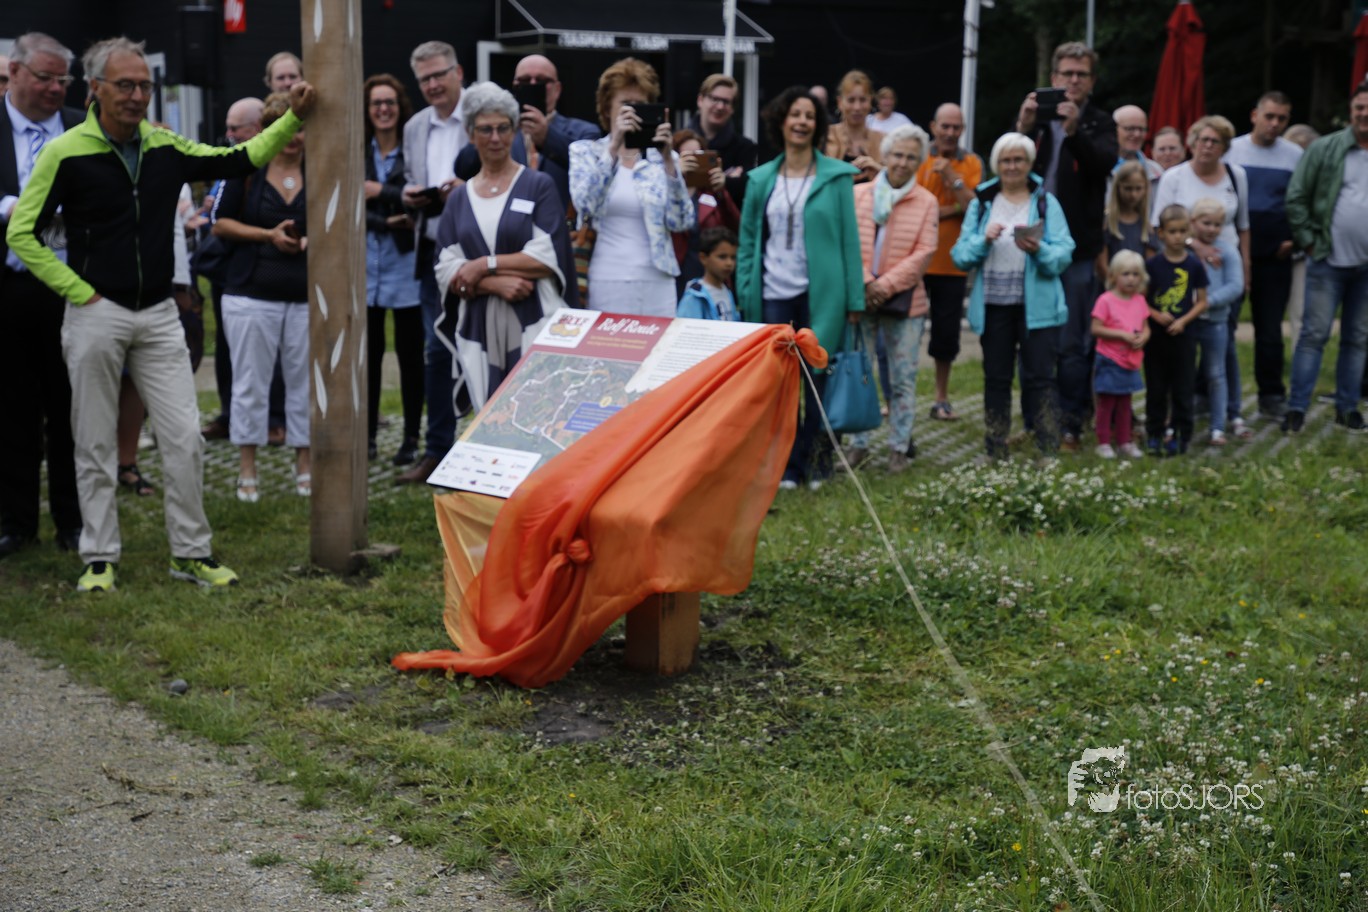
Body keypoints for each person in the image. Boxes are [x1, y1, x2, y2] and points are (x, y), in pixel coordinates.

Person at [7, 36, 317, 591]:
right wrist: (78, 291)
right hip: (95, 314)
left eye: (145, 86)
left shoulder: (165, 146)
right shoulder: (65, 152)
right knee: (93, 440)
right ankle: (99, 557)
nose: (136, 96)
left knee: (185, 436)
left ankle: (191, 553)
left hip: (157, 315)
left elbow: (240, 159)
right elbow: (22, 233)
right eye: (125, 85)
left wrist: (292, 118)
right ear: (95, 88)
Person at [737, 86, 862, 490]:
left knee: (819, 379)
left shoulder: (837, 177)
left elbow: (849, 242)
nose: (802, 122)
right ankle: (787, 467)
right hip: (773, 295)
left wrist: (855, 298)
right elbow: (748, 241)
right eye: (795, 114)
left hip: (822, 296)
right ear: (781, 121)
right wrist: (745, 290)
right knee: (782, 386)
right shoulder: (760, 179)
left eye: (809, 115)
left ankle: (819, 463)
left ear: (817, 124)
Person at [432, 83, 575, 411]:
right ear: (471, 134)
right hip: (478, 324)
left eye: (503, 128)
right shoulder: (459, 199)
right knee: (489, 415)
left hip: (534, 317)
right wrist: (494, 285)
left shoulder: (538, 186)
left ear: (515, 131)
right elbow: (445, 267)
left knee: (536, 410)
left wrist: (483, 266)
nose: (495, 137)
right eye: (485, 129)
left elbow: (548, 255)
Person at [0, 32, 83, 559]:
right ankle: (16, 522)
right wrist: (9, 208)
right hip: (8, 290)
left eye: (62, 79)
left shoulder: (83, 127)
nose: (55, 88)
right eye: (45, 77)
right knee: (12, 409)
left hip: (72, 290)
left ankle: (74, 521)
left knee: (73, 410)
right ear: (14, 72)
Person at [1014, 41, 1117, 451]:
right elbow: (1009, 165)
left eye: (1081, 74)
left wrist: (1074, 133)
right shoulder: (1037, 118)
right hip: (1030, 244)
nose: (1073, 81)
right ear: (1053, 77)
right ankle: (1034, 421)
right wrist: (1022, 128)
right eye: (1067, 73)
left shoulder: (1100, 122)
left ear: (1092, 81)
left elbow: (1102, 165)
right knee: (1032, 337)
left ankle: (1071, 424)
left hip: (1077, 249)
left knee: (1073, 342)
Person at [210, 92, 313, 503]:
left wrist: (312, 240)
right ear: (269, 130)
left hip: (305, 296)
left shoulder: (318, 169)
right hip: (250, 294)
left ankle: (304, 464)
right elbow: (220, 223)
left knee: (304, 383)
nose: (293, 137)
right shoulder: (247, 167)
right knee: (250, 383)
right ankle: (247, 468)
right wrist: (268, 235)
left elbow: (336, 220)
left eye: (300, 128)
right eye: (284, 128)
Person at [951, 132, 1075, 461]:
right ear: (996, 164)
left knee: (1041, 378)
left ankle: (1047, 447)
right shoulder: (982, 202)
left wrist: (1038, 249)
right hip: (994, 306)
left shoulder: (1045, 201)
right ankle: (996, 447)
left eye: (1019, 159)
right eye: (1006, 160)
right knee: (996, 378)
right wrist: (983, 241)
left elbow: (1064, 254)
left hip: (1038, 308)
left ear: (1029, 163)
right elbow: (960, 255)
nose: (1012, 166)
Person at [844, 124, 938, 473]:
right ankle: (859, 444)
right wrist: (867, 283)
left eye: (911, 157)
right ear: (884, 155)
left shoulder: (926, 202)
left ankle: (899, 446)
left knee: (902, 378)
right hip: (861, 297)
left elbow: (924, 252)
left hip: (905, 303)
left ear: (920, 161)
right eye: (897, 154)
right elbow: (847, 243)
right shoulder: (859, 194)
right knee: (861, 374)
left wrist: (883, 287)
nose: (902, 162)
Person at [569, 57, 694, 316]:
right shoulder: (586, 152)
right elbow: (586, 206)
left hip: (658, 282)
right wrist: (614, 148)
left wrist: (669, 160)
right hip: (607, 277)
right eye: (626, 104)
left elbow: (682, 221)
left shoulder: (665, 159)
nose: (633, 112)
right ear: (607, 109)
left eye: (640, 105)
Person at [1152, 115, 1251, 435]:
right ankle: (1180, 411)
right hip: (1184, 269)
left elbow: (1243, 225)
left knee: (1224, 348)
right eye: (1203, 140)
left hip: (1226, 267)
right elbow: (1158, 225)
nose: (1208, 146)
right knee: (1179, 349)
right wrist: (1196, 245)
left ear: (1224, 146)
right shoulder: (1175, 177)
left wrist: (1245, 268)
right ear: (1192, 143)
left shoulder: (1236, 175)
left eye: (1215, 141)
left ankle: (1232, 413)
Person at [397, 41, 465, 485]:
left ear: (458, 72)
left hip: (480, 245)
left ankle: (489, 449)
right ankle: (438, 450)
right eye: (424, 79)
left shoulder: (483, 112)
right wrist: (410, 194)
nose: (433, 85)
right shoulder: (415, 126)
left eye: (440, 74)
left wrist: (466, 188)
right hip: (431, 246)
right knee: (436, 351)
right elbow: (409, 176)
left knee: (485, 348)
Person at [1282, 83, 1368, 434]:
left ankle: (1347, 408)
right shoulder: (1325, 148)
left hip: (1366, 268)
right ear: (1351, 111)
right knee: (1313, 335)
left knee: (1358, 338)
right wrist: (1309, 241)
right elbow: (1296, 196)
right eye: (1359, 107)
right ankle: (1296, 409)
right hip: (1327, 260)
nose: (1364, 114)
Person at [1224, 90, 1302, 419]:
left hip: (1275, 256)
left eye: (1281, 118)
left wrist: (1295, 239)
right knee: (1220, 326)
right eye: (1269, 116)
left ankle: (1271, 394)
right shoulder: (1230, 150)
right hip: (1231, 253)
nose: (1274, 124)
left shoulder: (1295, 155)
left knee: (1270, 331)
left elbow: (1304, 201)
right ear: (1255, 115)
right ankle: (1206, 392)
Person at [363, 74, 424, 467]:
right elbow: (348, 199)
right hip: (366, 267)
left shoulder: (414, 150)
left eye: (390, 102)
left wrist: (379, 192)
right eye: (376, 103)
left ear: (400, 107)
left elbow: (421, 199)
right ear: (367, 110)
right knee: (367, 357)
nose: (383, 109)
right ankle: (367, 435)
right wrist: (386, 217)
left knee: (410, 357)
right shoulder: (358, 150)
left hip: (406, 267)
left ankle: (410, 438)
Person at [453, 54, 600, 214]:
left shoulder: (584, 132)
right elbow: (463, 168)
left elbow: (592, 171)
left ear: (557, 89)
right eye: (524, 81)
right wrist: (488, 130)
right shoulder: (502, 130)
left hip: (560, 222)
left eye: (541, 81)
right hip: (508, 223)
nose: (533, 85)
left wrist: (547, 137)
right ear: (515, 87)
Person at [916, 102, 981, 422]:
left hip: (953, 265)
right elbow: (913, 207)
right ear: (933, 127)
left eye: (956, 127)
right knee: (905, 333)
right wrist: (951, 209)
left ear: (963, 129)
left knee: (946, 335)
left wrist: (953, 178)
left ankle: (941, 398)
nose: (950, 133)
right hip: (916, 262)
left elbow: (975, 207)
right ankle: (898, 397)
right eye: (945, 126)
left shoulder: (971, 163)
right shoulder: (918, 158)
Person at [1143, 204, 1209, 455]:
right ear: (1161, 233)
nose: (1177, 237)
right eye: (1172, 231)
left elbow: (1202, 301)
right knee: (1156, 388)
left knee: (1183, 387)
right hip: (1156, 337)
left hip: (1184, 337)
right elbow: (1140, 300)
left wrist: (1184, 321)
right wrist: (1156, 315)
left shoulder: (1194, 265)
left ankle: (1181, 434)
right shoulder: (1152, 265)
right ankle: (1154, 433)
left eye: (1182, 231)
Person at [1189, 197, 1247, 445]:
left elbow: (1236, 286)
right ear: (1193, 222)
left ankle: (1218, 427)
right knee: (1183, 372)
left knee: (1216, 373)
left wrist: (1207, 302)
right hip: (1187, 323)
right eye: (1206, 223)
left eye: (1217, 225)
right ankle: (1179, 422)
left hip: (1216, 322)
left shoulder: (1228, 251)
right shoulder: (1186, 251)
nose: (1211, 229)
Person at [1089, 250, 1150, 458]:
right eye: (1125, 274)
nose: (1131, 279)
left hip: (1130, 361)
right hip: (1109, 359)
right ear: (1113, 276)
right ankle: (1103, 442)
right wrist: (1122, 335)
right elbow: (1096, 328)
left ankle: (1125, 441)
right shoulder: (1105, 300)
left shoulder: (1140, 300)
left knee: (1125, 403)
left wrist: (1143, 337)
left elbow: (1146, 327)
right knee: (1107, 403)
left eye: (1135, 274)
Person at [671, 127, 739, 291]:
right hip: (675, 273)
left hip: (709, 274)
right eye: (687, 156)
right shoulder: (666, 188)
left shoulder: (712, 192)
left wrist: (722, 192)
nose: (693, 160)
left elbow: (735, 226)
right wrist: (675, 176)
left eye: (698, 155)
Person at [685, 73, 758, 200]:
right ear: (700, 100)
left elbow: (750, 192)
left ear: (733, 108)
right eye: (714, 99)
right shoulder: (678, 142)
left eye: (726, 102)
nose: (720, 107)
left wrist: (727, 183)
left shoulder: (745, 148)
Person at [824, 70, 883, 183]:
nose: (857, 107)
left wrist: (879, 170)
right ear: (840, 102)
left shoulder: (883, 140)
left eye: (863, 100)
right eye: (851, 100)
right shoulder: (825, 137)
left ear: (870, 101)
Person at [676, 226, 738, 321]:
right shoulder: (695, 296)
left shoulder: (727, 291)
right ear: (703, 258)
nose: (729, 263)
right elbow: (686, 327)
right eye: (722, 257)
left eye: (733, 257)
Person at [1102, 160, 1154, 265]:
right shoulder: (1107, 223)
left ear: (1145, 189)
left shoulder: (1146, 226)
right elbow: (1102, 264)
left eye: (1138, 189)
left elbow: (1151, 265)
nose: (1133, 195)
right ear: (1118, 187)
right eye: (1128, 188)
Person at [1112, 104, 1164, 186]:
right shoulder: (1097, 169)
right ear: (1114, 129)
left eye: (1141, 129)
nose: (1137, 134)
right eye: (1130, 129)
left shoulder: (1157, 171)